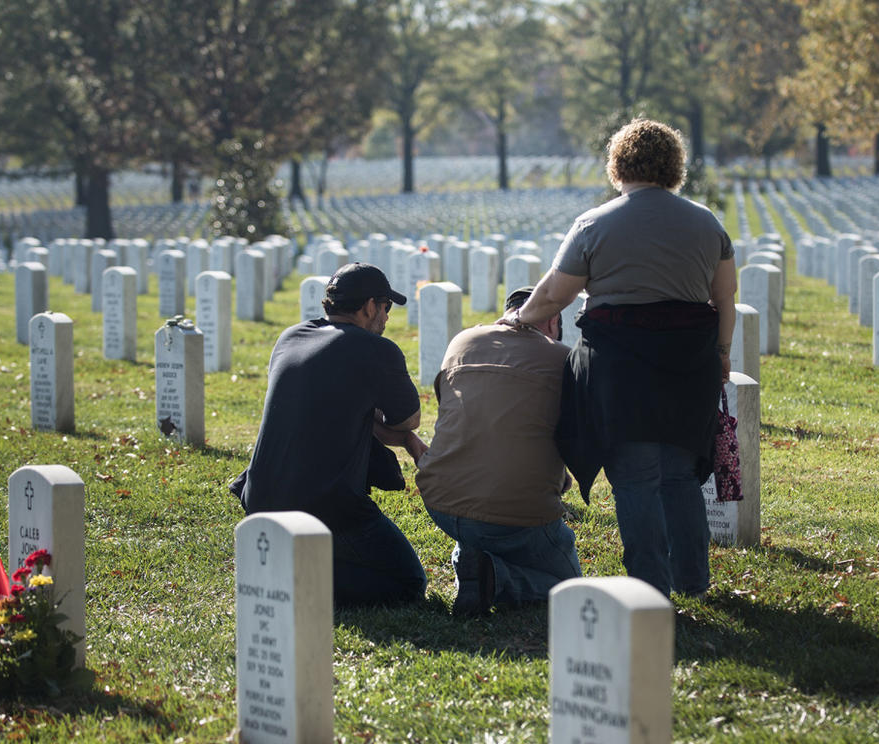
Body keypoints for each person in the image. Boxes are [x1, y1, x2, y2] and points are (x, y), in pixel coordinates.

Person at [507, 117, 736, 599]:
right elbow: (725, 300)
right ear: (675, 166)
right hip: (688, 363)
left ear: (617, 165)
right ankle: (694, 580)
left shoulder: (594, 223)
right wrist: (722, 354)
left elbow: (553, 294)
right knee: (680, 475)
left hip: (620, 366)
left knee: (634, 478)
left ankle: (650, 586)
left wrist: (520, 321)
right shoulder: (708, 223)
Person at [230, 262, 428, 606]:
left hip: (260, 497)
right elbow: (408, 418)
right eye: (386, 306)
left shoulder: (291, 336)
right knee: (407, 582)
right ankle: (294, 577)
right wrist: (408, 437)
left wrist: (398, 435)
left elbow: (329, 406)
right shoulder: (375, 349)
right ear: (369, 306)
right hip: (326, 504)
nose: (387, 317)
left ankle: (289, 559)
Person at [416, 286, 580, 616]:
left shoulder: (462, 341)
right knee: (570, 586)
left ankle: (474, 557)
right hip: (513, 515)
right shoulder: (562, 358)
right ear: (552, 322)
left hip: (441, 503)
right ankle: (496, 579)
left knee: (482, 517)